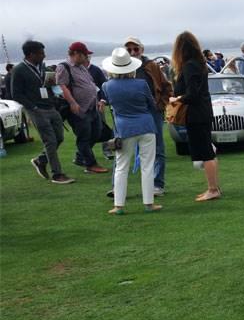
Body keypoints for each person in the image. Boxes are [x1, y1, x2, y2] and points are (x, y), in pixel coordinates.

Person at [101, 47, 160, 214]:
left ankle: (118, 205)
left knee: (121, 167)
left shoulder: (107, 86)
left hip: (124, 129)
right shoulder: (141, 84)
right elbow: (152, 105)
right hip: (146, 126)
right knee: (147, 166)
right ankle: (149, 204)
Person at [169, 31, 221, 202]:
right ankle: (213, 187)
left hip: (196, 114)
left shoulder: (190, 66)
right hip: (202, 112)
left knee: (206, 152)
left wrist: (177, 99)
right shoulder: (198, 64)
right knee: (207, 151)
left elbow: (193, 94)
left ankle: (213, 189)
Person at [12, 41, 74, 184]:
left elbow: (48, 86)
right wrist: (32, 107)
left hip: (50, 107)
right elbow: (16, 94)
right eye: (41, 53)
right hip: (36, 110)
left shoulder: (43, 67)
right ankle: (57, 174)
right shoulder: (19, 70)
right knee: (50, 141)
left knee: (59, 137)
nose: (44, 55)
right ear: (31, 54)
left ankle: (41, 160)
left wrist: (53, 90)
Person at [124, 36, 171, 195]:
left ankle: (158, 184)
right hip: (131, 112)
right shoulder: (122, 67)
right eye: (128, 50)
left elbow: (166, 86)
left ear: (142, 50)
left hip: (152, 112)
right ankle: (119, 187)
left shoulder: (151, 66)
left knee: (157, 148)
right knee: (125, 149)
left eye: (135, 49)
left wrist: (160, 104)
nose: (132, 52)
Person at [56, 41, 108, 174]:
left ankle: (81, 157)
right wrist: (73, 103)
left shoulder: (81, 67)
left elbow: (90, 83)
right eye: (85, 55)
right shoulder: (64, 67)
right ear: (76, 54)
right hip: (79, 109)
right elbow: (62, 86)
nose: (87, 57)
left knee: (97, 132)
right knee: (84, 137)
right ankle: (91, 164)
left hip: (91, 107)